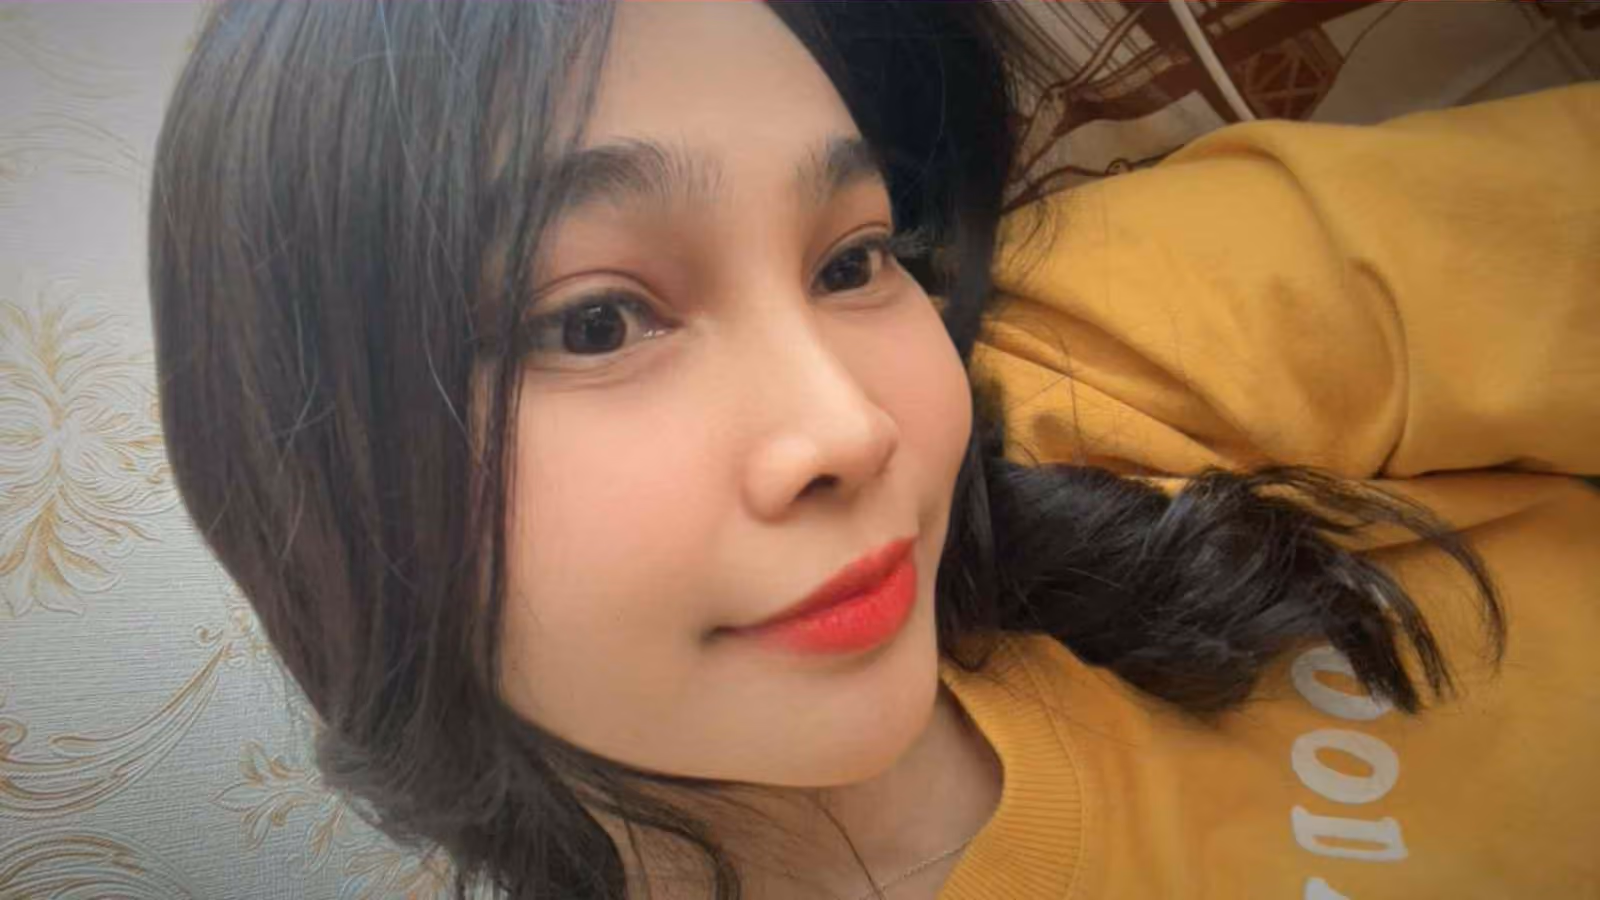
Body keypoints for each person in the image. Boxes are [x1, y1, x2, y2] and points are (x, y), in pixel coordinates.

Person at [145, 2, 1600, 898]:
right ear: (306, 496)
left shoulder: (1087, 340)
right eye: (596, 322)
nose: (855, 424)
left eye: (852, 260)